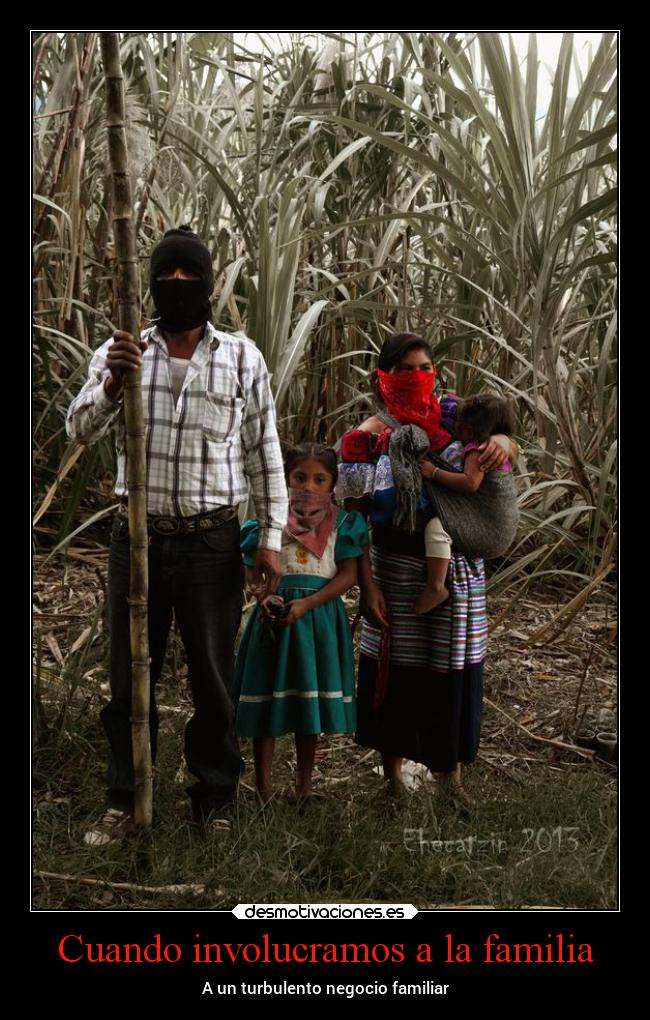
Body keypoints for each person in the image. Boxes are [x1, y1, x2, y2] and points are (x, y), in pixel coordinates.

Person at [66, 226, 288, 845]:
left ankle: (215, 799)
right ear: (153, 284)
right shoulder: (124, 351)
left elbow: (263, 452)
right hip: (137, 538)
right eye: (169, 276)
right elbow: (78, 429)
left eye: (192, 277)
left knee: (213, 677)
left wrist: (269, 538)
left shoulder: (242, 357)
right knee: (129, 675)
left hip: (213, 541)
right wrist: (113, 382)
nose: (180, 287)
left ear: (210, 285)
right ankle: (124, 797)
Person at [336, 333, 518, 802]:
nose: (417, 377)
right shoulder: (367, 436)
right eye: (404, 369)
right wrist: (366, 585)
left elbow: (502, 438)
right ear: (384, 377)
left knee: (452, 672)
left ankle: (450, 781)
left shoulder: (456, 416)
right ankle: (393, 781)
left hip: (457, 569)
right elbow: (353, 517)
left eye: (424, 367)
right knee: (393, 671)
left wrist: (503, 442)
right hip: (394, 572)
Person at [234, 444, 368, 803]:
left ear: (332, 485)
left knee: (308, 705)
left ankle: (304, 788)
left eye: (320, 479)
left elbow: (349, 575)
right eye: (300, 477)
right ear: (286, 479)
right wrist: (265, 598)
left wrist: (307, 604)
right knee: (267, 704)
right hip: (272, 622)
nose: (309, 487)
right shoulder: (269, 523)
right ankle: (263, 789)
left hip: (317, 622)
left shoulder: (342, 524)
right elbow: (254, 570)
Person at [415, 393, 519, 613]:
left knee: (436, 529)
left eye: (460, 429)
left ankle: (436, 586)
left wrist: (433, 472)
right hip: (499, 523)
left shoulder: (477, 450)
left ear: (471, 430)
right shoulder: (486, 442)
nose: (457, 433)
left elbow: (470, 483)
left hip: (490, 524)